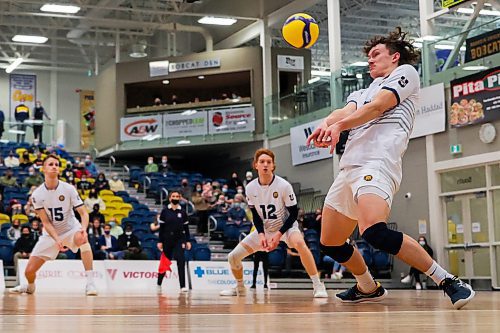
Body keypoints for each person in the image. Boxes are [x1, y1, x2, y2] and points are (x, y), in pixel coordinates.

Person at [306, 28, 474, 309]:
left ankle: (449, 281)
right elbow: (344, 112)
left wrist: (337, 127)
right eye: (369, 57)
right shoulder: (363, 91)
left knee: (374, 231)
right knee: (331, 243)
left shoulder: (406, 73)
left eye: (376, 55)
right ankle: (368, 287)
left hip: (378, 163)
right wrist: (326, 123)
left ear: (394, 57)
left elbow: (378, 108)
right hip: (349, 169)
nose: (370, 61)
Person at [220, 148, 327, 298]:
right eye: (262, 162)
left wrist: (278, 235)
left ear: (273, 166)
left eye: (268, 162)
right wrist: (262, 235)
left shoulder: (283, 186)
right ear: (255, 165)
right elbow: (256, 216)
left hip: (286, 226)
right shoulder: (250, 188)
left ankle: (318, 285)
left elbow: (293, 214)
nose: (265, 165)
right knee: (233, 257)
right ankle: (240, 287)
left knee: (300, 244)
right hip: (265, 228)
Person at [10, 154, 98, 295]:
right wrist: (57, 240)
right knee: (29, 272)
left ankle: (90, 284)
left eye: (56, 164)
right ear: (43, 169)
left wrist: (83, 229)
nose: (54, 167)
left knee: (83, 239)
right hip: (50, 234)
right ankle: (30, 287)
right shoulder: (37, 195)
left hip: (70, 229)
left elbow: (83, 213)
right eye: (50, 164)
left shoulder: (68, 189)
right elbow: (45, 222)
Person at [157, 191, 191, 293]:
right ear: (170, 198)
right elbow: (161, 228)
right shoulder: (165, 211)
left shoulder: (183, 212)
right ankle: (159, 283)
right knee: (165, 262)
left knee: (181, 261)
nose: (175, 198)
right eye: (173, 196)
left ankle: (182, 286)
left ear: (180, 198)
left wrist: (188, 240)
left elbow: (186, 228)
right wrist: (160, 241)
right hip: (167, 239)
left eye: (177, 196)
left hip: (179, 239)